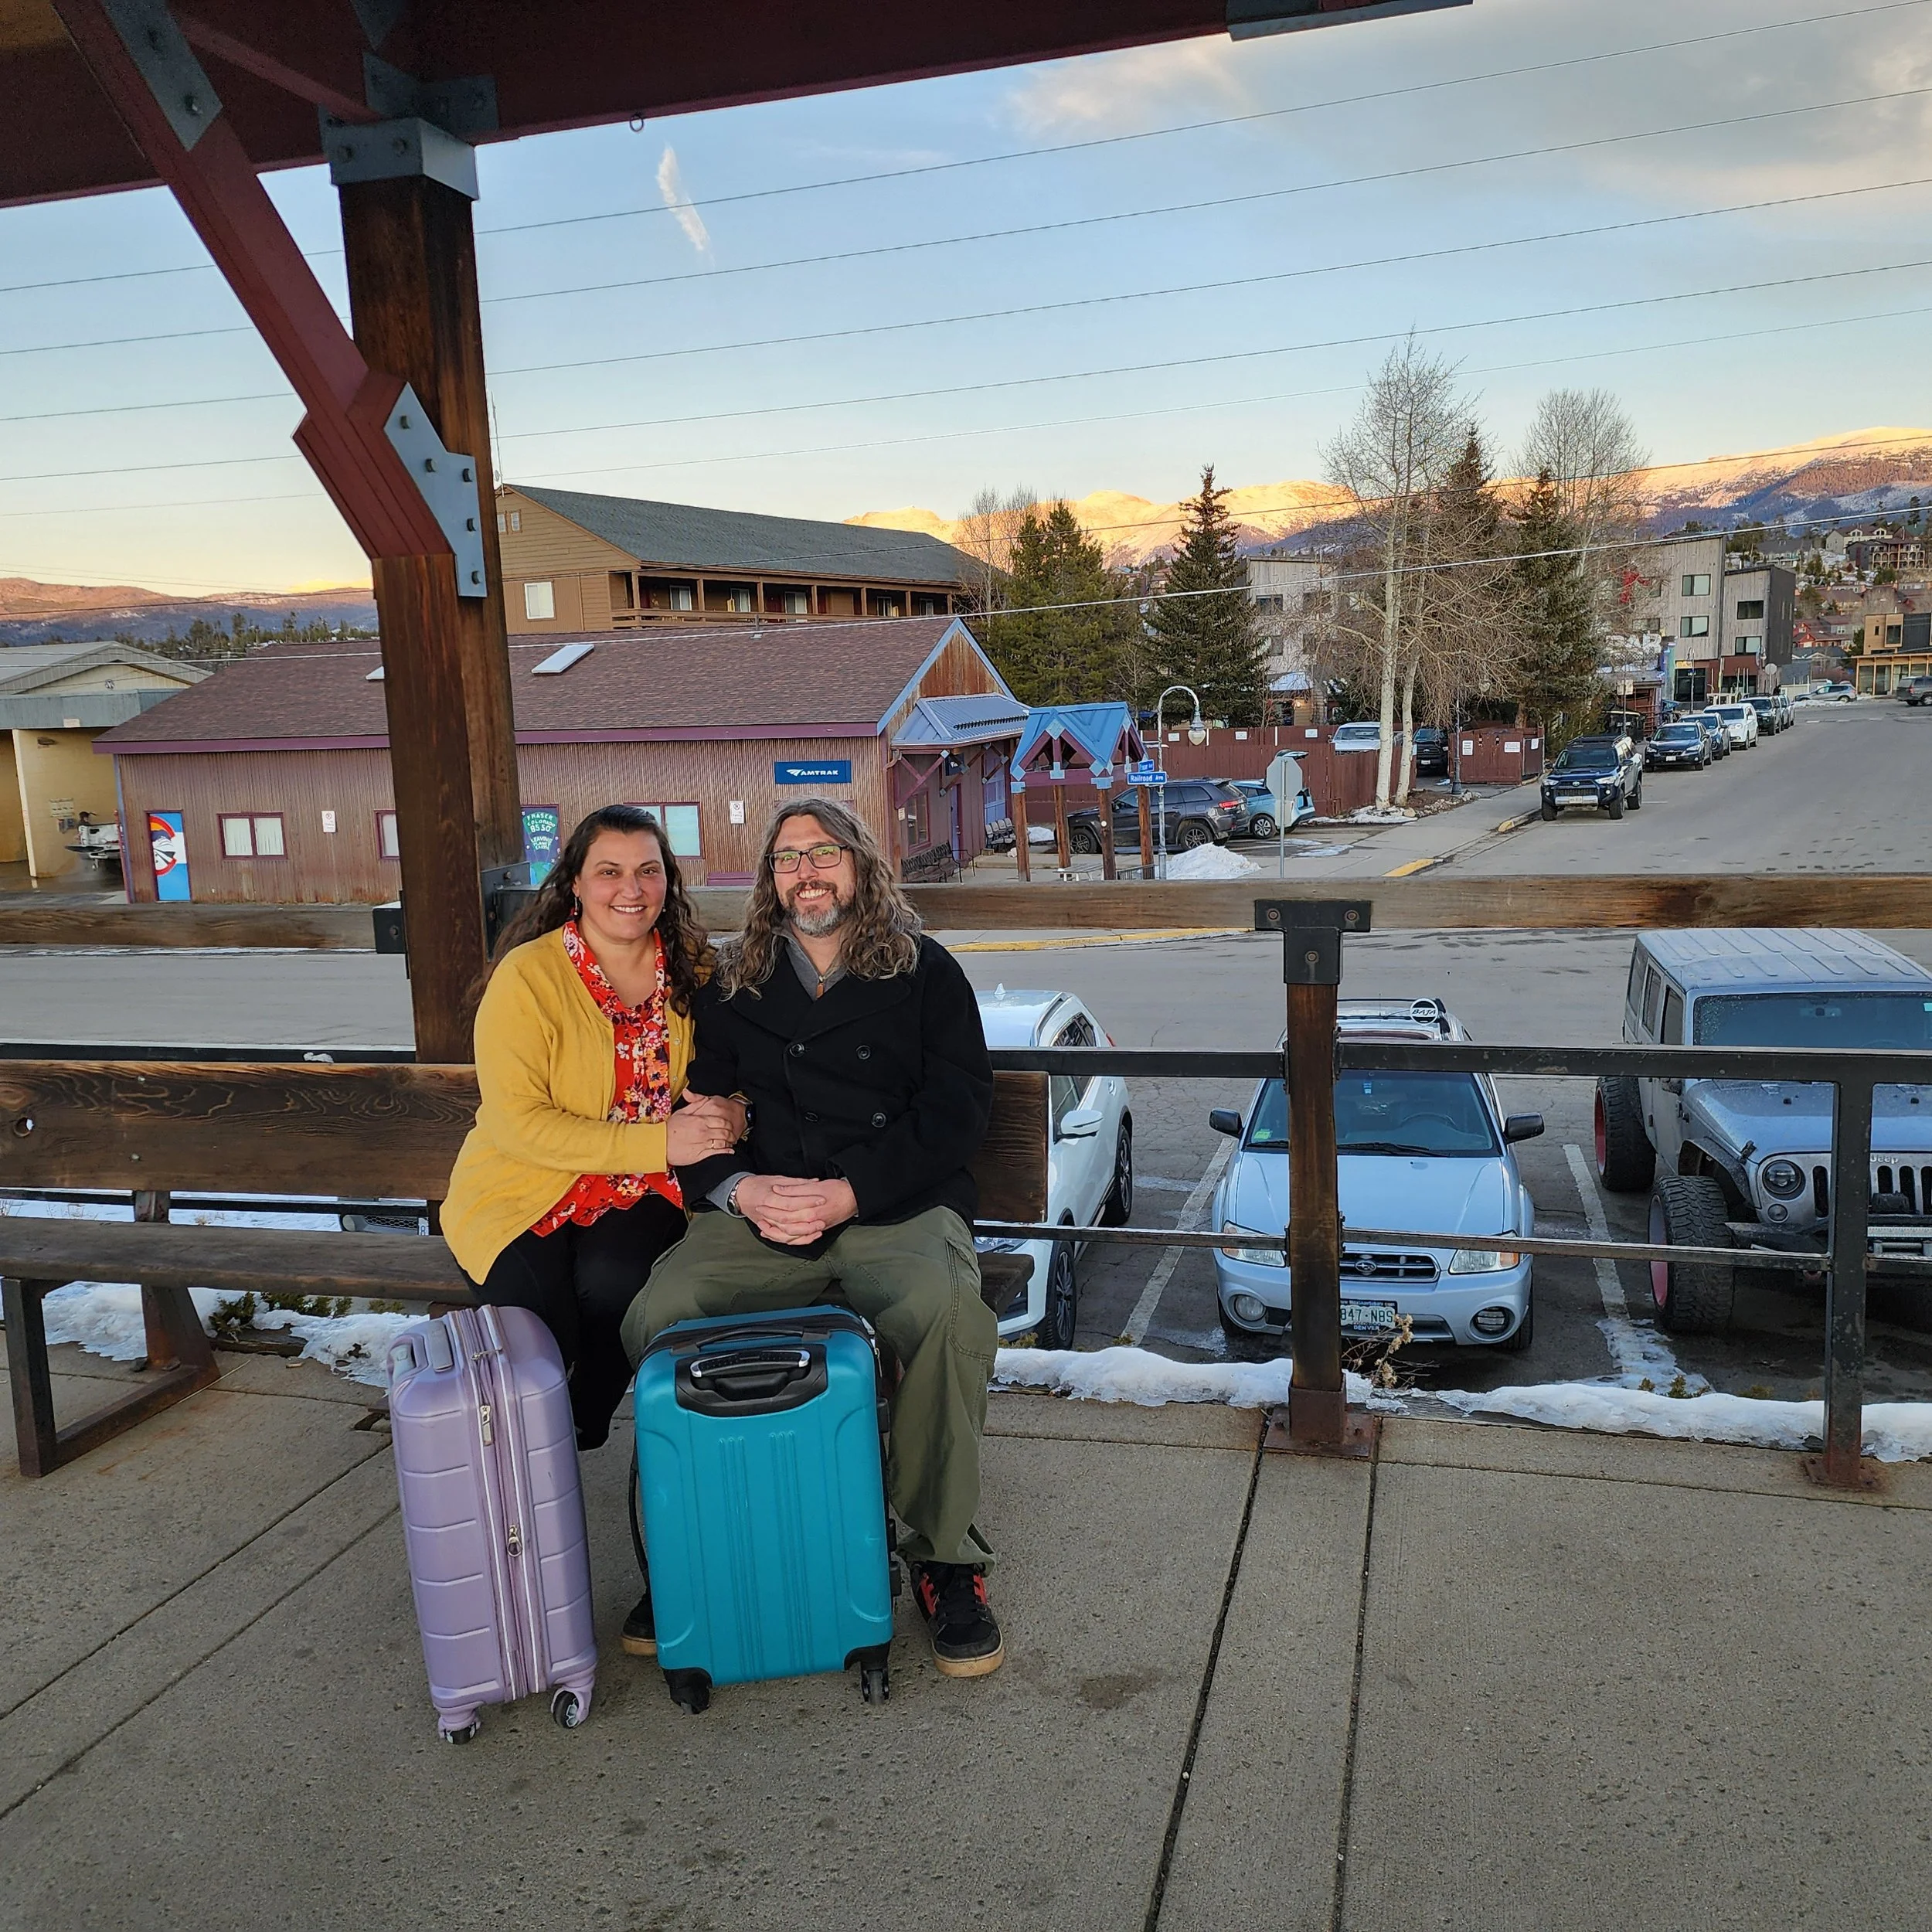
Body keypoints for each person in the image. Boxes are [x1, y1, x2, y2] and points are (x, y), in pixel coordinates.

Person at [620, 798, 1003, 1678]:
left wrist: (849, 1193)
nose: (806, 873)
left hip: (891, 1207)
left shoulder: (922, 971)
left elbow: (957, 1114)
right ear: (768, 883)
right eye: (787, 860)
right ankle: (694, 1542)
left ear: (861, 865)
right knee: (660, 1314)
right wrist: (741, 1188)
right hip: (765, 1215)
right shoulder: (733, 983)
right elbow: (699, 1122)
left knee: (947, 1315)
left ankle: (944, 1553)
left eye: (823, 854)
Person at [439, 805, 743, 1641]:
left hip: (641, 1191)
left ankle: (572, 1428)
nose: (630, 889)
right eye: (609, 870)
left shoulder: (694, 973)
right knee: (534, 1333)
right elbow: (514, 1123)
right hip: (521, 1188)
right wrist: (660, 1137)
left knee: (618, 1289)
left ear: (668, 882)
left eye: (648, 870)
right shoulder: (529, 977)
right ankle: (529, 1529)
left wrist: (727, 1114)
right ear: (574, 882)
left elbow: (732, 1079)